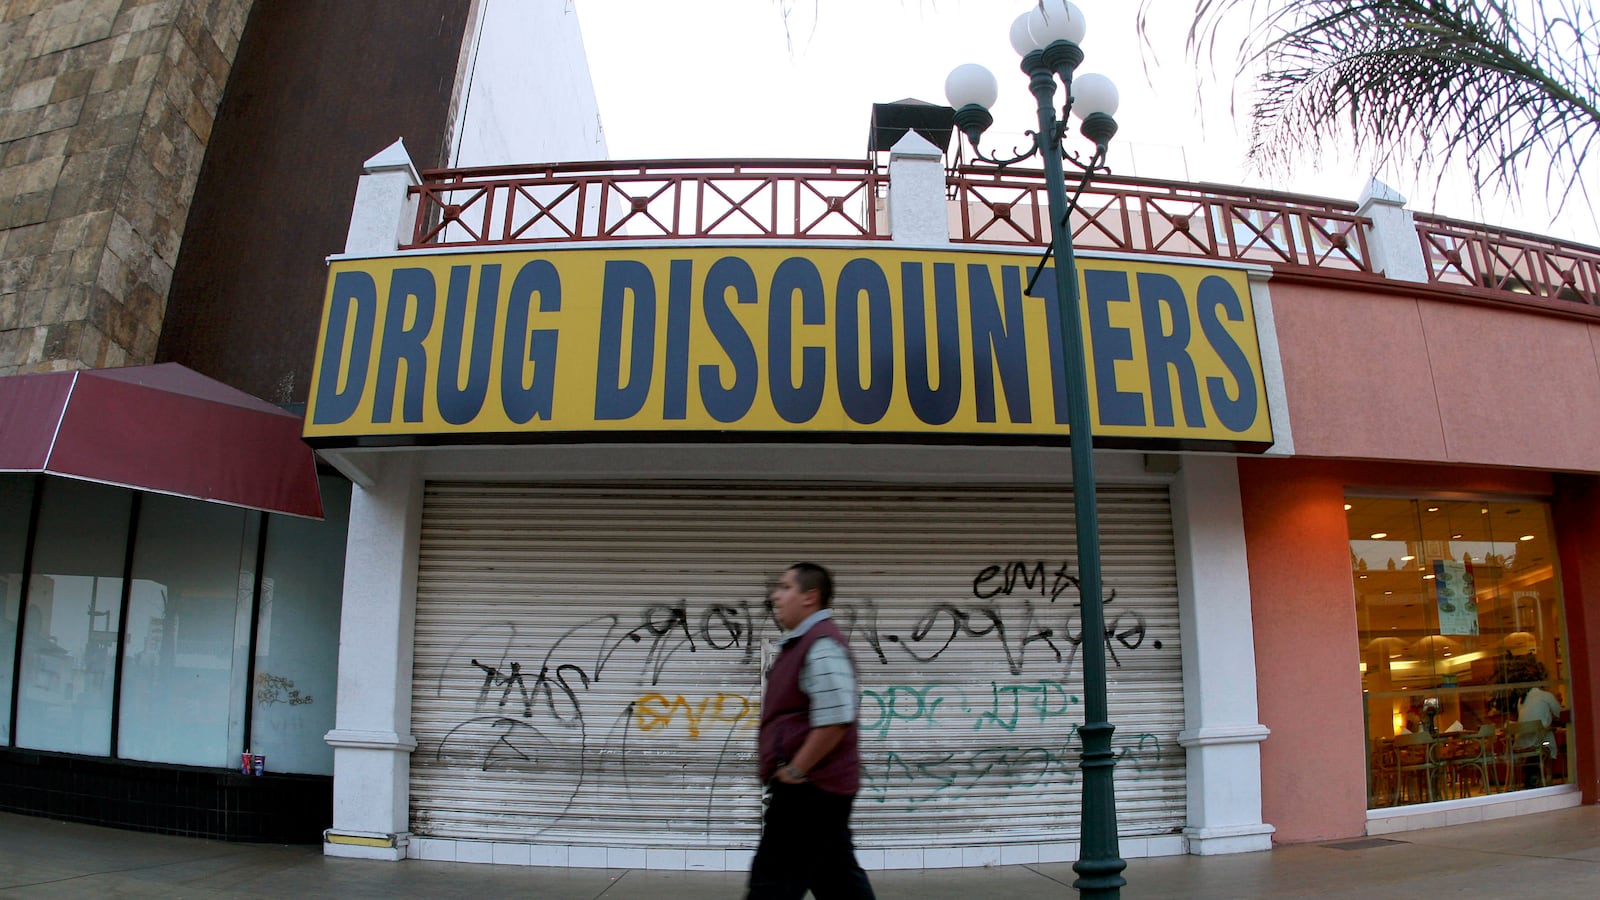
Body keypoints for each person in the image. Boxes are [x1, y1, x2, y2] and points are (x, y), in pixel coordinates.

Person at [746, 562, 875, 900]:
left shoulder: (821, 645)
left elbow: (835, 719)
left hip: (809, 790)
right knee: (836, 880)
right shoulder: (804, 643)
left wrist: (795, 769)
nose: (776, 595)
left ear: (810, 597)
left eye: (786, 587)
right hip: (817, 788)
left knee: (771, 884)